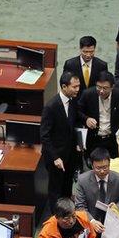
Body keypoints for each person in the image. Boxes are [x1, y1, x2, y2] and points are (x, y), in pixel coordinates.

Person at [40, 72, 80, 211]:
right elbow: (44, 136)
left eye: (78, 86)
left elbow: (73, 122)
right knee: (55, 189)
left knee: (67, 184)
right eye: (74, 87)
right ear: (64, 86)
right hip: (56, 156)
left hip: (70, 154)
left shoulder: (73, 100)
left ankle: (68, 211)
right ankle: (56, 216)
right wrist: (55, 157)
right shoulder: (51, 106)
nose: (77, 89)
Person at [78, 71, 119, 159]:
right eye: (98, 87)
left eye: (105, 88)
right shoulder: (88, 94)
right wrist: (86, 119)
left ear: (112, 87)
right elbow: (78, 111)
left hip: (113, 139)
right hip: (94, 139)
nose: (101, 91)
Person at [75, 147, 119, 235]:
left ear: (109, 164)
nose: (102, 171)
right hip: (91, 223)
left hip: (114, 223)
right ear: (92, 165)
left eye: (105, 167)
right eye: (98, 168)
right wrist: (92, 221)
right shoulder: (83, 180)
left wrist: (116, 208)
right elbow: (80, 206)